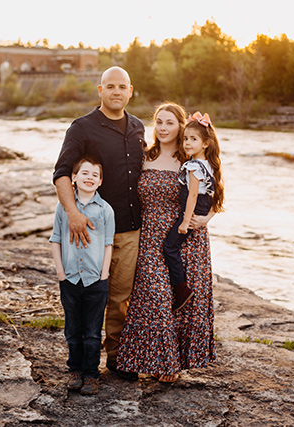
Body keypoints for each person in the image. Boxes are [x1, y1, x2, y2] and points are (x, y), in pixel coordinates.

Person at [52, 66, 146, 380]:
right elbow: (62, 173)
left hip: (131, 228)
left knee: (120, 297)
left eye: (123, 86)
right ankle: (80, 362)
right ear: (100, 90)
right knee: (85, 295)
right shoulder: (82, 128)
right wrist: (73, 215)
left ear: (131, 91)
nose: (117, 91)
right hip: (90, 230)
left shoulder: (138, 127)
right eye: (111, 86)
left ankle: (117, 358)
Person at [116, 102, 219, 383]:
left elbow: (216, 191)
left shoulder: (192, 160)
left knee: (180, 302)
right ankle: (146, 359)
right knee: (155, 297)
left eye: (170, 123)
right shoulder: (143, 157)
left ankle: (171, 363)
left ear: (181, 126)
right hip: (149, 235)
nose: (163, 128)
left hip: (185, 237)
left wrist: (207, 216)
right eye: (159, 122)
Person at [50, 156, 115, 395]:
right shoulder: (64, 207)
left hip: (96, 280)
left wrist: (104, 274)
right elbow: (55, 239)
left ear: (100, 182)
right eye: (84, 173)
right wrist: (60, 271)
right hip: (70, 279)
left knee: (93, 331)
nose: (89, 178)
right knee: (72, 330)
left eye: (95, 175)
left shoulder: (105, 210)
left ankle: (91, 375)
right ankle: (75, 371)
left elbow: (109, 244)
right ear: (73, 178)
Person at [163, 112, 225, 311]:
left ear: (205, 143)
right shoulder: (210, 165)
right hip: (201, 210)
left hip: (191, 211)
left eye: (193, 139)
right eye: (185, 139)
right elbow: (216, 195)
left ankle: (181, 289)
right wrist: (207, 217)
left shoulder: (193, 166)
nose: (187, 143)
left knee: (169, 247)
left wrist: (184, 221)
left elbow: (191, 196)